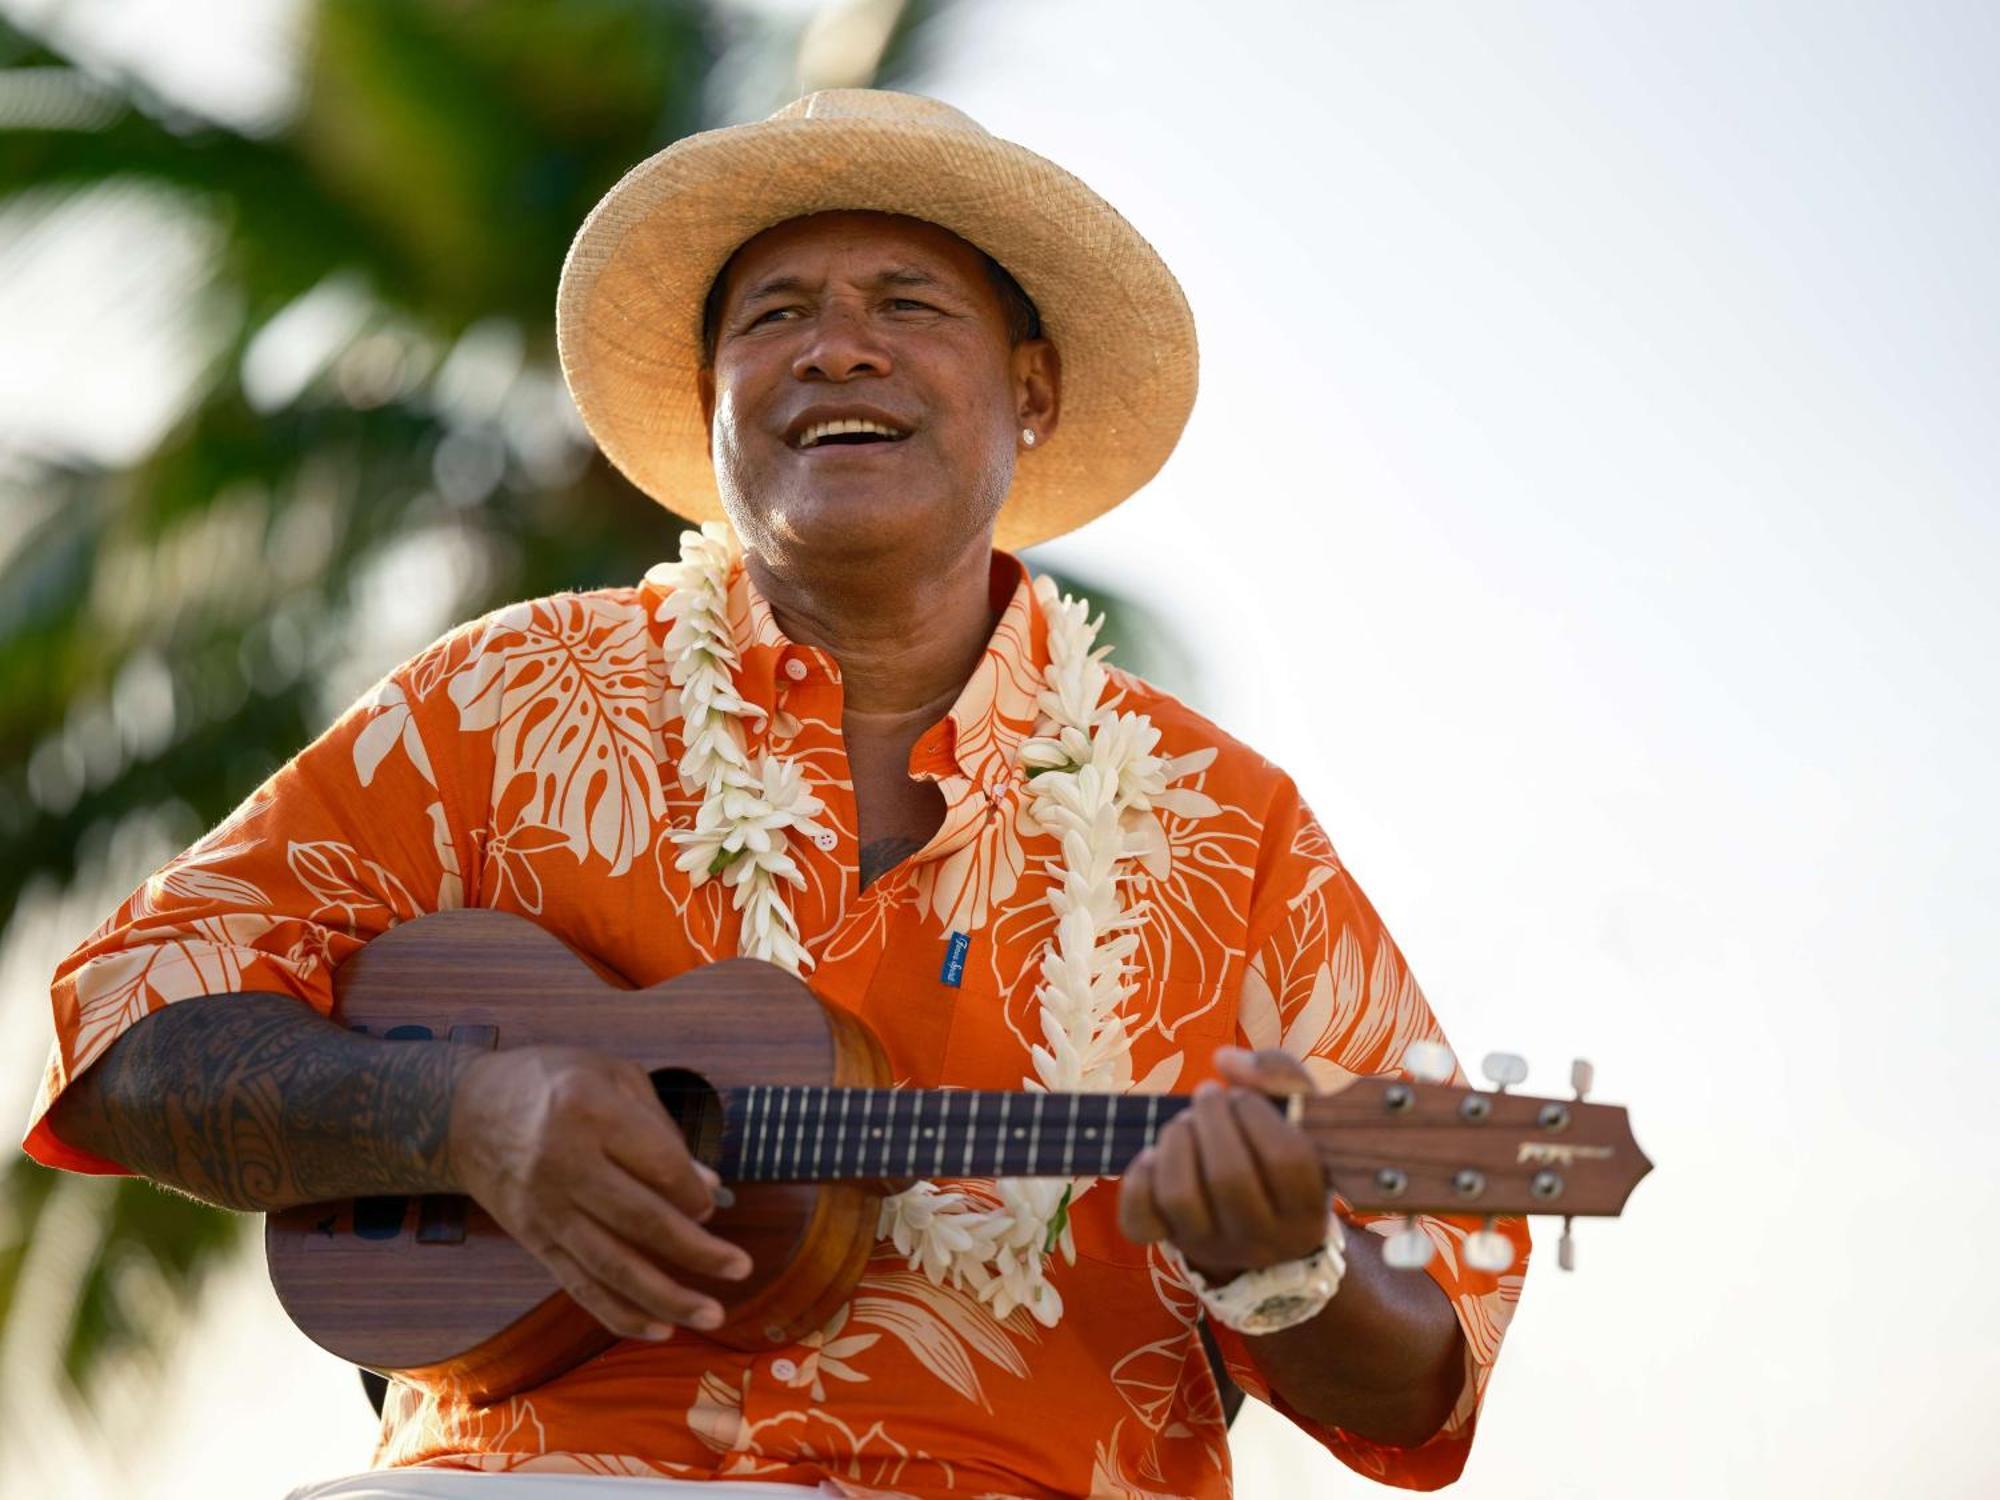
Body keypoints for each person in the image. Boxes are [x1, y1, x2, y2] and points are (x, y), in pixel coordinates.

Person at [23, 90, 1527, 1497]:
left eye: (908, 306)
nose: (839, 349)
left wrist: (1288, 1270)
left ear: (1034, 390)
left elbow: (1422, 1386)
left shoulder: (1227, 826)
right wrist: (464, 1113)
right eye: (777, 315)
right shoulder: (501, 700)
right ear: (712, 397)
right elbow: (134, 1034)